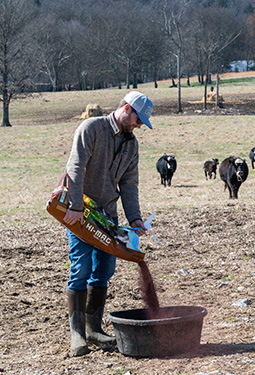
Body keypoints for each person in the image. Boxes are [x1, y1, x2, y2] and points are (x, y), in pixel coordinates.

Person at [62, 91, 153, 356]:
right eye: (138, 119)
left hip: (109, 216)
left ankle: (93, 329)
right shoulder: (91, 128)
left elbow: (129, 183)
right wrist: (76, 208)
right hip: (83, 213)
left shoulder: (131, 145)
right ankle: (77, 334)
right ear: (126, 109)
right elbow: (75, 168)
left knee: (104, 269)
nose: (139, 126)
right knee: (80, 268)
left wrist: (134, 217)